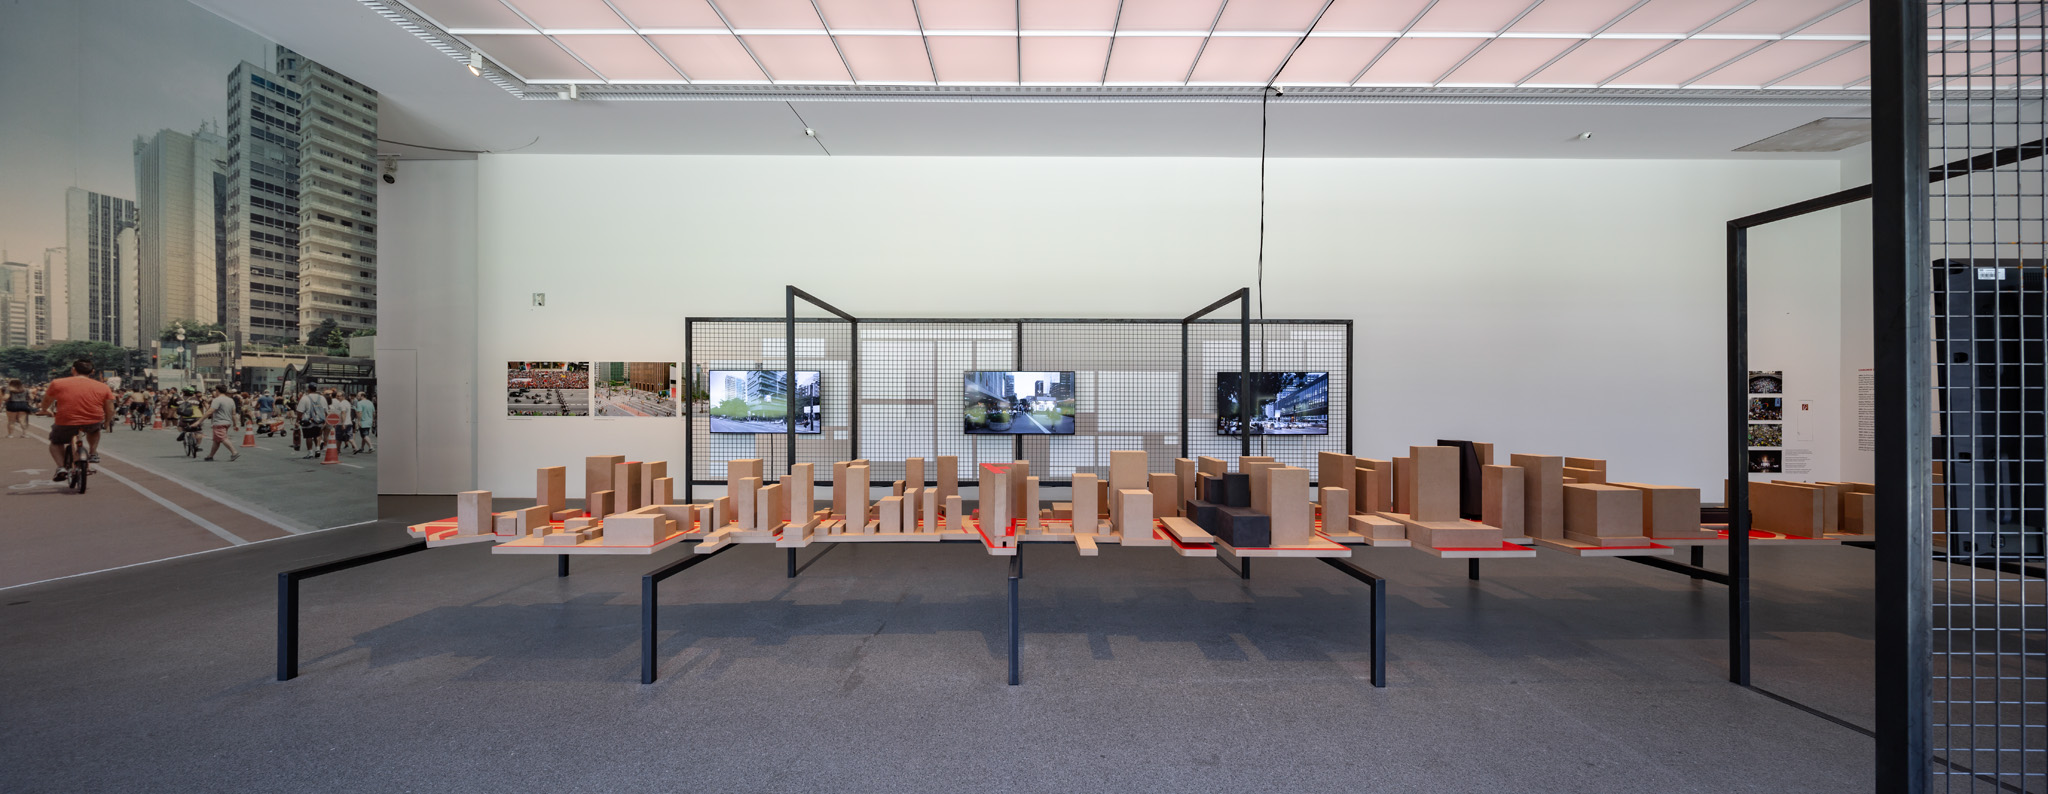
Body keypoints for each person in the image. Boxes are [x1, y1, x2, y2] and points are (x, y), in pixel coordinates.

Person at [35, 359, 116, 478]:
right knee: (94, 430)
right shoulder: (103, 387)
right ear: (92, 371)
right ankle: (93, 453)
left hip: (65, 421)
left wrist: (44, 410)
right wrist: (107, 422)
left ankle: (61, 467)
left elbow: (47, 400)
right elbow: (110, 409)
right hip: (92, 420)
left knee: (56, 442)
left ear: (73, 370)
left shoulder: (57, 383)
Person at [202, 385, 240, 462]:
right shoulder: (230, 400)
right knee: (217, 440)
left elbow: (210, 411)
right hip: (227, 422)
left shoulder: (217, 400)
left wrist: (199, 420)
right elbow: (233, 414)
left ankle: (234, 452)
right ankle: (210, 456)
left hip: (219, 422)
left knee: (222, 438)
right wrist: (235, 424)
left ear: (217, 390)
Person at [295, 386, 327, 458]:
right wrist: (325, 420)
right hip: (319, 420)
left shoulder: (305, 398)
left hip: (308, 420)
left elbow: (300, 411)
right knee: (317, 435)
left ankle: (310, 453)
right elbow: (325, 410)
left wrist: (297, 420)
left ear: (309, 389)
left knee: (308, 436)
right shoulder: (322, 398)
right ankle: (317, 449)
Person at [325, 388, 353, 453]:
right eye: (337, 396)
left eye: (339, 396)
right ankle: (354, 448)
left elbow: (343, 413)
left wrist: (342, 423)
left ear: (343, 396)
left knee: (338, 437)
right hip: (347, 422)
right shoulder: (346, 402)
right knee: (348, 436)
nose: (337, 397)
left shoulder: (341, 403)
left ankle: (337, 450)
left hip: (341, 423)